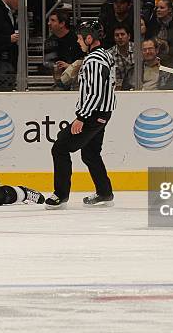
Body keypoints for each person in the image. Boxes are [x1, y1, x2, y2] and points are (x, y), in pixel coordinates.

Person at [45, 21, 117, 210]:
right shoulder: (104, 55)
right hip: (103, 114)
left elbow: (95, 93)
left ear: (89, 38)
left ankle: (60, 195)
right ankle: (104, 192)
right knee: (90, 153)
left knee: (60, 148)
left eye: (79, 37)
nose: (77, 41)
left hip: (92, 115)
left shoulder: (93, 60)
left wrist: (82, 117)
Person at [43, 9, 84, 89]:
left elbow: (85, 60)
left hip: (79, 80)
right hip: (60, 80)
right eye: (49, 20)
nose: (49, 23)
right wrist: (54, 66)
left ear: (62, 23)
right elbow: (48, 62)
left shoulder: (78, 38)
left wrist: (70, 66)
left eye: (53, 20)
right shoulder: (49, 42)